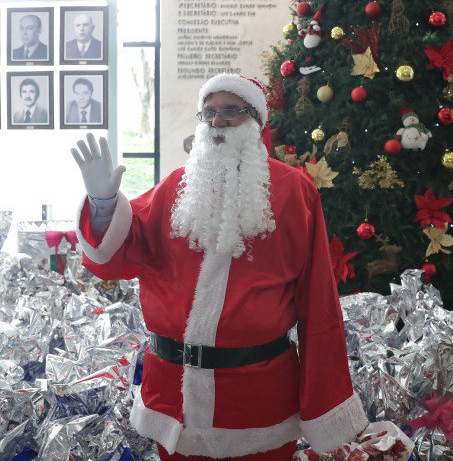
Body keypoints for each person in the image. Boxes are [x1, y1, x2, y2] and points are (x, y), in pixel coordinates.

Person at [71, 73, 368, 460]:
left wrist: (324, 406)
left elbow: (319, 305)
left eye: (231, 111)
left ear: (257, 122)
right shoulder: (176, 188)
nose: (216, 122)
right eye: (208, 112)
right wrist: (104, 202)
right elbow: (120, 253)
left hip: (258, 402)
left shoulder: (294, 192)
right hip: (173, 399)